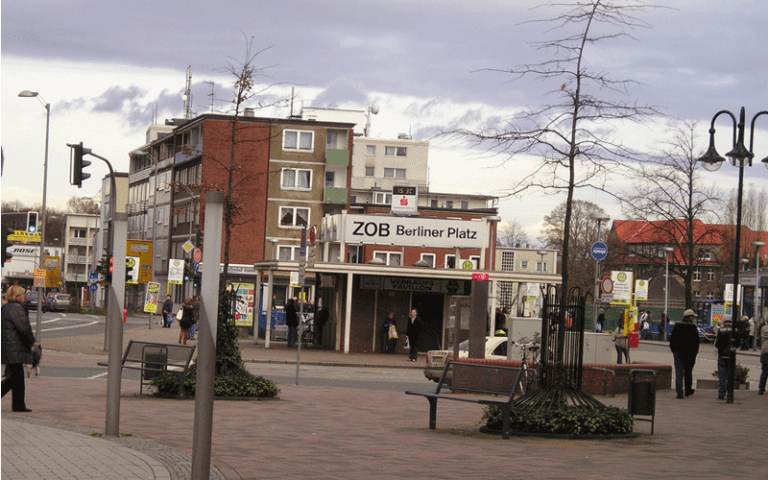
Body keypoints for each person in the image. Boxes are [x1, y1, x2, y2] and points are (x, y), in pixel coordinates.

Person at [0, 288, 35, 412]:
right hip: (15, 347)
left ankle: (18, 404)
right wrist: (31, 341)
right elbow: (24, 328)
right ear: (16, 296)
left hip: (9, 346)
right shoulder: (16, 308)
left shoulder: (7, 307)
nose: (24, 297)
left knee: (17, 377)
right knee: (15, 377)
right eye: (22, 294)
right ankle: (18, 404)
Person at [669, 309, 700, 399]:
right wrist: (695, 353)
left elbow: (672, 340)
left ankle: (679, 392)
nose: (693, 319)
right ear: (690, 317)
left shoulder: (677, 326)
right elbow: (696, 342)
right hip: (690, 353)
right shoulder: (693, 327)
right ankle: (688, 390)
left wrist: (674, 350)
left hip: (678, 352)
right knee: (688, 371)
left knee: (679, 372)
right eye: (693, 317)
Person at [715, 318, 736, 400]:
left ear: (724, 322)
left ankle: (721, 393)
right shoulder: (735, 330)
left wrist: (721, 349)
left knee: (722, 375)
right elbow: (737, 343)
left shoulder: (721, 330)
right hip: (731, 356)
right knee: (730, 375)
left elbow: (717, 343)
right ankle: (730, 392)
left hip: (722, 355)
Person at [759, 320, 768, 395]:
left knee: (764, 371)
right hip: (765, 352)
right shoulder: (765, 328)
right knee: (765, 371)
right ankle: (761, 388)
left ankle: (761, 388)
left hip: (764, 352)